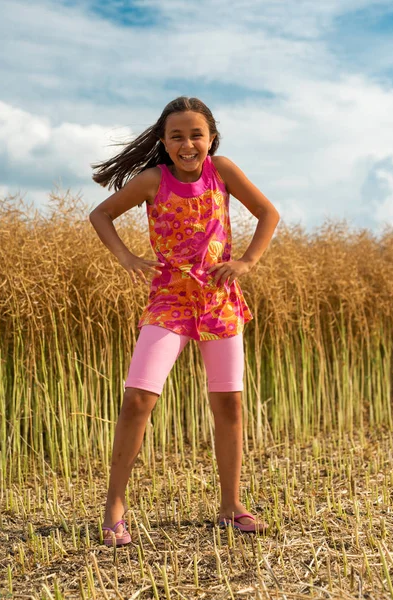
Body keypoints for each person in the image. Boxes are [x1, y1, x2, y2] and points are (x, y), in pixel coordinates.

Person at [89, 96, 280, 546]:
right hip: (170, 300)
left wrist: (248, 262)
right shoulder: (152, 180)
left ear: (211, 139)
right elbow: (101, 214)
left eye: (197, 134)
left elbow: (268, 213)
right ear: (164, 141)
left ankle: (231, 507)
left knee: (229, 402)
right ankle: (114, 506)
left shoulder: (224, 171)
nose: (188, 143)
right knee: (138, 398)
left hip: (219, 300)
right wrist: (126, 257)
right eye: (177, 136)